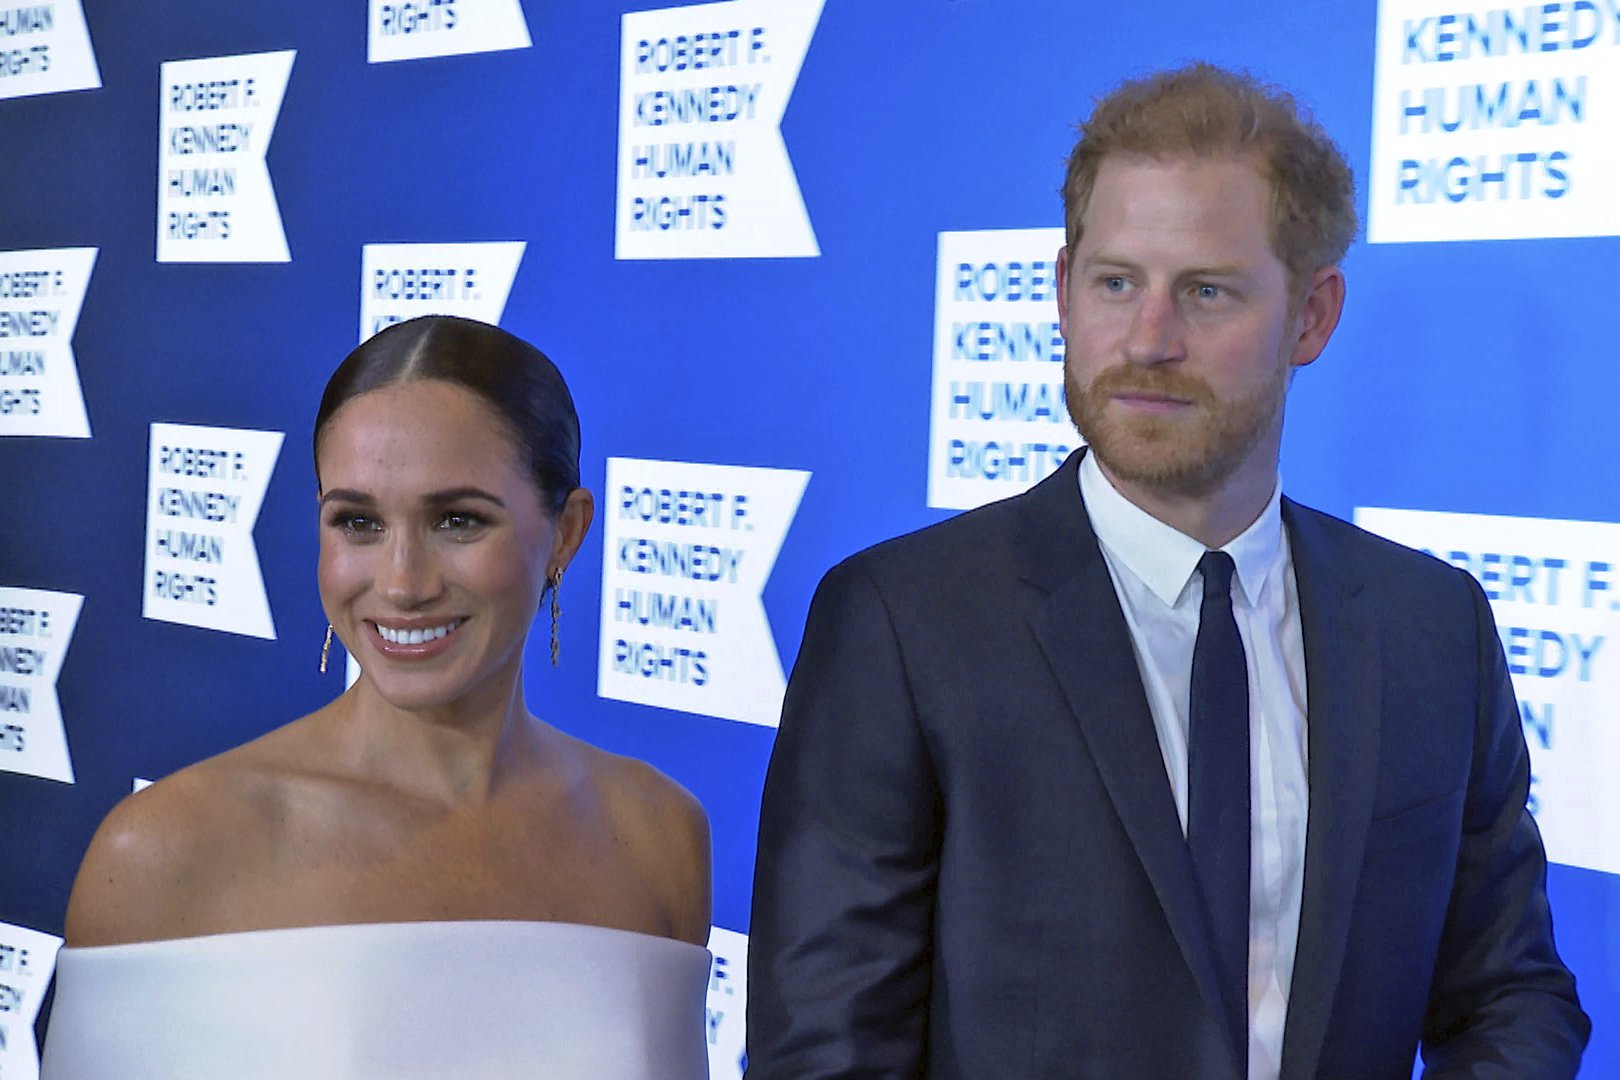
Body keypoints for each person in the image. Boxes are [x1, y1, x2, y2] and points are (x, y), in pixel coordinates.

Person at [747, 64, 1588, 1079]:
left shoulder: (1431, 625)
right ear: (1062, 292)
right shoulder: (900, 623)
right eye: (1115, 283)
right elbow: (828, 1051)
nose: (1148, 341)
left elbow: (1511, 991)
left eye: (1206, 291)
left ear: (1312, 317)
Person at [45, 316, 712, 1079]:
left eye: (458, 520)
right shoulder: (162, 851)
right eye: (358, 522)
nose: (401, 582)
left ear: (566, 532)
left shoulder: (660, 836)